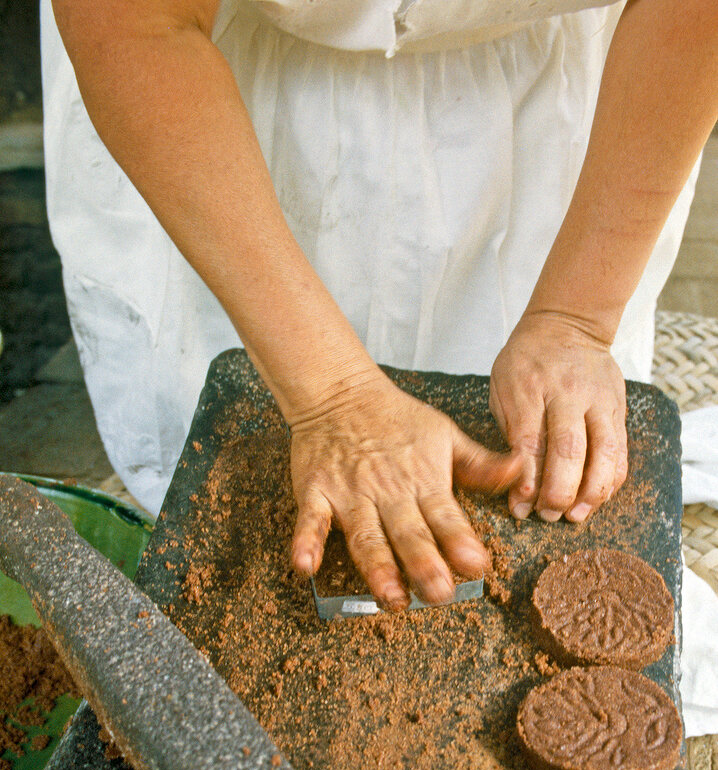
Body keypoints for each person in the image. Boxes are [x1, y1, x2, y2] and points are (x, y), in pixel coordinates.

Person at [42, 0, 718, 610]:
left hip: (567, 126)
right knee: (235, 540)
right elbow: (133, 21)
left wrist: (575, 318)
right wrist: (330, 395)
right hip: (224, 127)